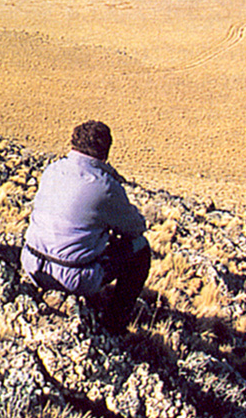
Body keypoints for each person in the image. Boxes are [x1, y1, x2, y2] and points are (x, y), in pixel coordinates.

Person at [21, 120, 151, 334]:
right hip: (73, 278)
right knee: (141, 250)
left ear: (72, 144)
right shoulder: (106, 186)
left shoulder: (52, 169)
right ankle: (114, 325)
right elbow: (135, 229)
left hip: (31, 264)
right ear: (105, 153)